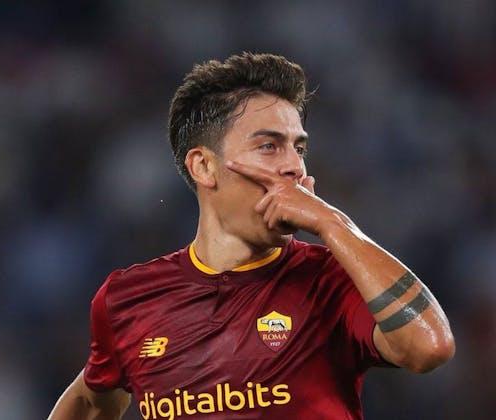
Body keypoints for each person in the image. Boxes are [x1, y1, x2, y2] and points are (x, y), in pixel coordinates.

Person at [48, 53, 455, 420]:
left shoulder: (333, 279)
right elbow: (90, 400)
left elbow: (430, 346)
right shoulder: (129, 300)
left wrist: (333, 224)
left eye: (299, 148)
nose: (294, 166)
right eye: (269, 146)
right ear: (204, 167)